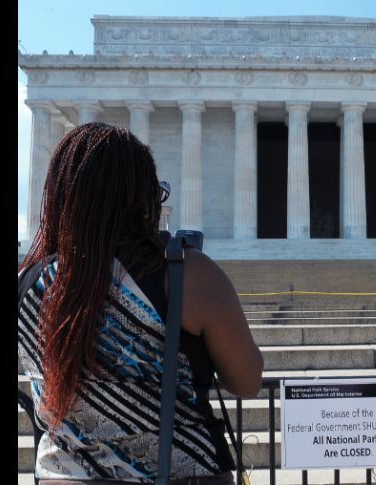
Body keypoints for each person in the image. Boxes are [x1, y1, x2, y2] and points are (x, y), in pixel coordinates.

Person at [18, 122, 264, 484]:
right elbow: (246, 381)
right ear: (142, 198)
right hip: (183, 473)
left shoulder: (29, 285)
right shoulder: (186, 275)